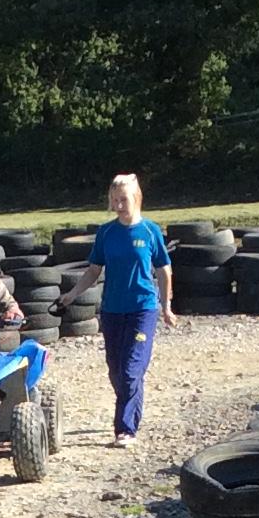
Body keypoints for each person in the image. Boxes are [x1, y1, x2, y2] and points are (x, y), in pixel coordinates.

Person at [61, 173, 172, 443]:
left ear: (137, 198)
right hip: (112, 310)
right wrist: (72, 294)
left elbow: (163, 270)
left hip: (143, 309)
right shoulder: (106, 233)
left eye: (123, 200)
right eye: (114, 200)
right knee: (116, 370)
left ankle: (125, 429)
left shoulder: (150, 231)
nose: (118, 206)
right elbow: (94, 270)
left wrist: (166, 306)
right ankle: (131, 407)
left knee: (131, 370)